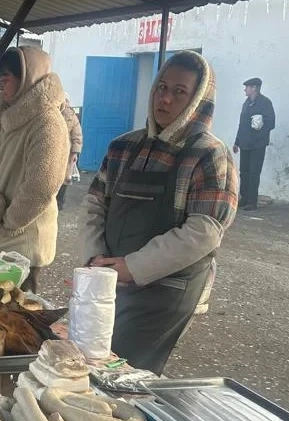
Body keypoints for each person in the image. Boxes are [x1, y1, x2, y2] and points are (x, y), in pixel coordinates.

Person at [82, 51, 238, 374]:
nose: (165, 98)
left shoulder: (210, 155)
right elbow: (95, 205)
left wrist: (132, 267)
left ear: (197, 100)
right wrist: (95, 260)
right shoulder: (123, 147)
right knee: (87, 356)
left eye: (179, 92)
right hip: (109, 277)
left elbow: (205, 231)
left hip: (167, 288)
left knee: (122, 370)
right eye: (162, 87)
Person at [0, 46, 69, 293]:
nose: (0, 86)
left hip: (19, 242)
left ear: (27, 79)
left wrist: (9, 224)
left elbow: (41, 187)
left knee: (13, 311)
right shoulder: (2, 116)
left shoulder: (47, 123)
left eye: (6, 78)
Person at [233, 76, 275, 211]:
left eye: (247, 87)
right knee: (244, 172)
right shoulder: (246, 103)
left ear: (254, 88)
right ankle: (244, 198)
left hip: (257, 145)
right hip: (245, 143)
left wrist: (258, 132)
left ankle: (252, 201)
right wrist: (237, 142)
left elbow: (270, 123)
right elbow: (242, 124)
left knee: (254, 173)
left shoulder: (265, 103)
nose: (245, 89)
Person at [56, 97, 83, 211]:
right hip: (58, 153)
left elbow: (77, 136)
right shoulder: (53, 113)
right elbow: (78, 137)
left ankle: (58, 204)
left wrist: (75, 153)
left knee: (62, 180)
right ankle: (57, 204)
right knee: (58, 180)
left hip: (65, 154)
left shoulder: (71, 116)